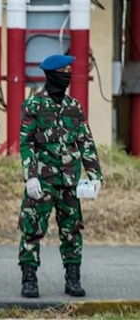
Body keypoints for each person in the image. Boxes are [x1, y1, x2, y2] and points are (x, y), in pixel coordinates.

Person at [18, 54, 103, 298]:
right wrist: (31, 176)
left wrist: (94, 174)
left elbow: (85, 141)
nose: (67, 74)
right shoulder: (34, 105)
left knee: (72, 230)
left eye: (69, 70)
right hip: (42, 182)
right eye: (62, 70)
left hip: (70, 183)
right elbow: (27, 143)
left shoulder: (74, 107)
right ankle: (29, 278)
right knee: (32, 228)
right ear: (51, 74)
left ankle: (73, 278)